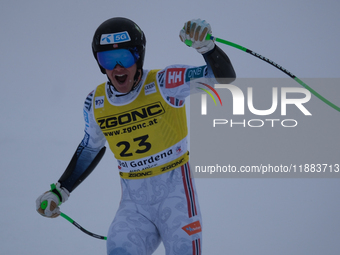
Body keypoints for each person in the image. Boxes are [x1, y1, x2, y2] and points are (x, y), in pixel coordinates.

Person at [36, 17, 236, 255]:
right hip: (134, 210)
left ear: (138, 57)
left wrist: (207, 48)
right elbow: (90, 148)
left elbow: (223, 78)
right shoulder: (96, 102)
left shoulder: (165, 83)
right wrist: (60, 190)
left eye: (126, 58)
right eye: (108, 60)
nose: (118, 68)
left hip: (177, 204)